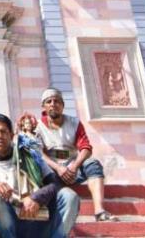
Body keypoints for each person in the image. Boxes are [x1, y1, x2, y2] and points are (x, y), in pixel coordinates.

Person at [0, 114, 80, 238]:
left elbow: (55, 184)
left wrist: (36, 197)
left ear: (12, 136)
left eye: (3, 131)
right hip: (10, 224)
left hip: (37, 216)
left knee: (69, 195)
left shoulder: (31, 156)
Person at [35, 87, 116, 222]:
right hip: (52, 170)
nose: (53, 104)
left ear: (63, 105)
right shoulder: (37, 126)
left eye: (57, 101)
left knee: (92, 164)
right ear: (43, 106)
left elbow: (86, 147)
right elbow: (38, 153)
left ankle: (99, 211)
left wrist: (75, 166)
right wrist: (58, 168)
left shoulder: (74, 123)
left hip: (73, 167)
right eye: (49, 101)